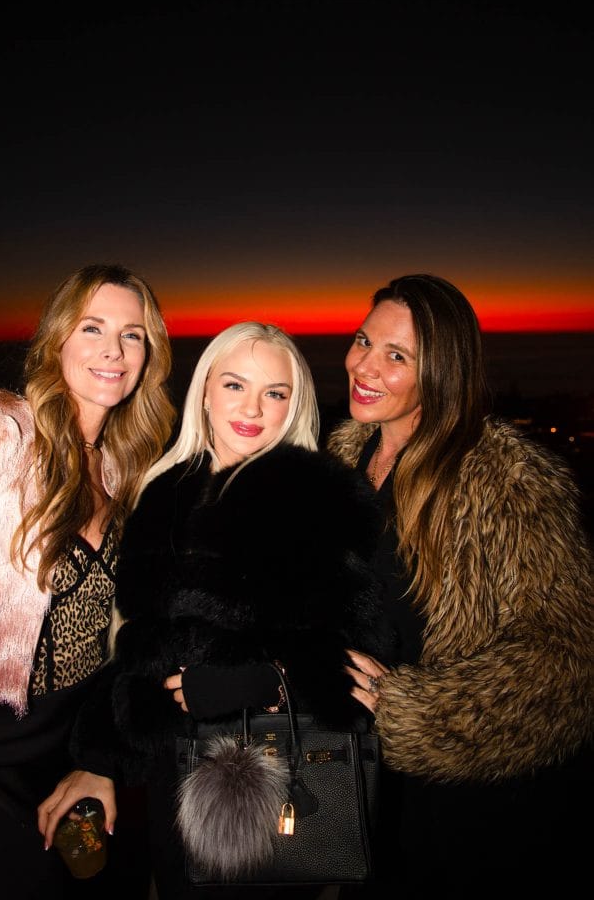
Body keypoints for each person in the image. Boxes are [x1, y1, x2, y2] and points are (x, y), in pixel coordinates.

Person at [38, 321, 387, 899]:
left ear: (293, 404)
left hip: (279, 782)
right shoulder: (163, 492)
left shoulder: (322, 501)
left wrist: (261, 681)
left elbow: (362, 659)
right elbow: (139, 650)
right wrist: (101, 759)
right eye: (234, 385)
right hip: (173, 779)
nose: (252, 408)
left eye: (275, 393)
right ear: (204, 390)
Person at [0, 263, 175, 900]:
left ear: (150, 356)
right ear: (58, 339)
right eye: (93, 327)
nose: (113, 350)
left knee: (92, 887)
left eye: (133, 335)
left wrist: (107, 751)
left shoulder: (128, 469)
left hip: (82, 739)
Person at [328, 273, 594, 897]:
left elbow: (571, 658)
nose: (364, 365)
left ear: (442, 373)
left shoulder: (504, 483)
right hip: (357, 782)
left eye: (397, 357)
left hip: (460, 810)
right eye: (364, 340)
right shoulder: (339, 459)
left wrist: (413, 712)